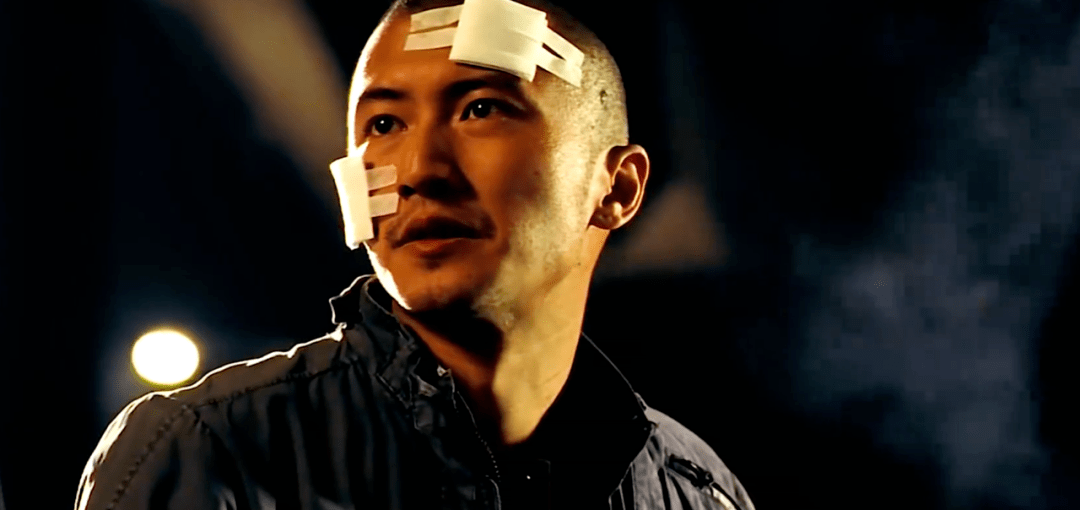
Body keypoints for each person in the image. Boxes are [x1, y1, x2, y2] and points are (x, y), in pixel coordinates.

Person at [75, 0, 757, 508]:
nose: (420, 169)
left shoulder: (695, 492)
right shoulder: (209, 451)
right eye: (383, 124)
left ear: (618, 188)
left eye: (481, 109)